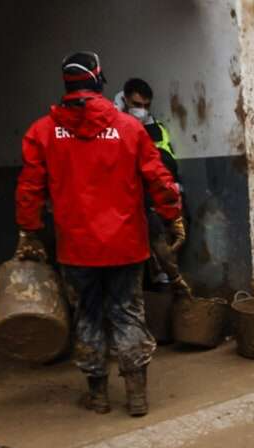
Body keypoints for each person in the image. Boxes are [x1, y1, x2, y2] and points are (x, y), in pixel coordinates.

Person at [15, 51, 184, 417]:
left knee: (88, 316)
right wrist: (173, 217)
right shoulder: (129, 129)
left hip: (76, 249)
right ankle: (136, 394)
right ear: (97, 82)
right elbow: (159, 178)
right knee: (127, 314)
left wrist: (29, 231)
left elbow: (30, 188)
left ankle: (99, 395)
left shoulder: (43, 132)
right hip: (126, 245)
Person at [116, 77, 189, 295]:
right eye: (137, 105)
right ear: (126, 100)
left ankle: (165, 290)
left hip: (151, 204)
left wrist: (175, 212)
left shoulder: (156, 130)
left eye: (146, 106)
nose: (142, 111)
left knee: (160, 259)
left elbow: (164, 167)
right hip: (123, 209)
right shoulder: (113, 129)